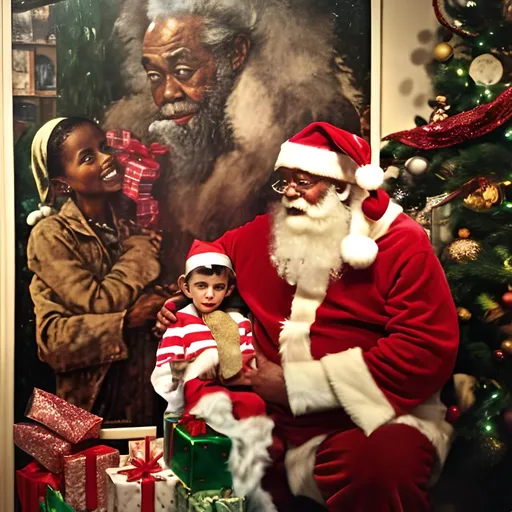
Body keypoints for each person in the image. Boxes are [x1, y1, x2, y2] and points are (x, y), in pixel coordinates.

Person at [155, 122, 460, 511]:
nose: (291, 194)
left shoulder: (400, 243)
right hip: (271, 416)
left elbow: (423, 350)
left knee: (381, 468)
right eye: (284, 182)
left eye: (304, 181)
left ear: (343, 187)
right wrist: (188, 308)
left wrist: (298, 386)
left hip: (371, 419)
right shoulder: (271, 231)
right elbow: (213, 255)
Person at [104, 0, 363, 279]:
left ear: (237, 53)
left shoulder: (306, 122)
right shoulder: (142, 136)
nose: (166, 94)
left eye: (183, 72)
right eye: (154, 75)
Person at [27, 117, 170, 427]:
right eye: (88, 157)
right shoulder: (52, 235)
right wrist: (129, 317)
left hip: (143, 403)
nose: (108, 158)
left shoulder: (129, 229)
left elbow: (147, 308)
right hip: (88, 409)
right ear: (61, 183)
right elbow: (56, 338)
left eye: (104, 147)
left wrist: (162, 303)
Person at [151, 240, 266, 420]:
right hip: (197, 393)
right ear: (186, 287)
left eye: (218, 287)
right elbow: (166, 370)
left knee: (255, 405)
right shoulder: (178, 322)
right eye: (201, 286)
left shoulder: (239, 323)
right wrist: (205, 364)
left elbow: (251, 362)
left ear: (228, 290)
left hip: (236, 388)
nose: (210, 294)